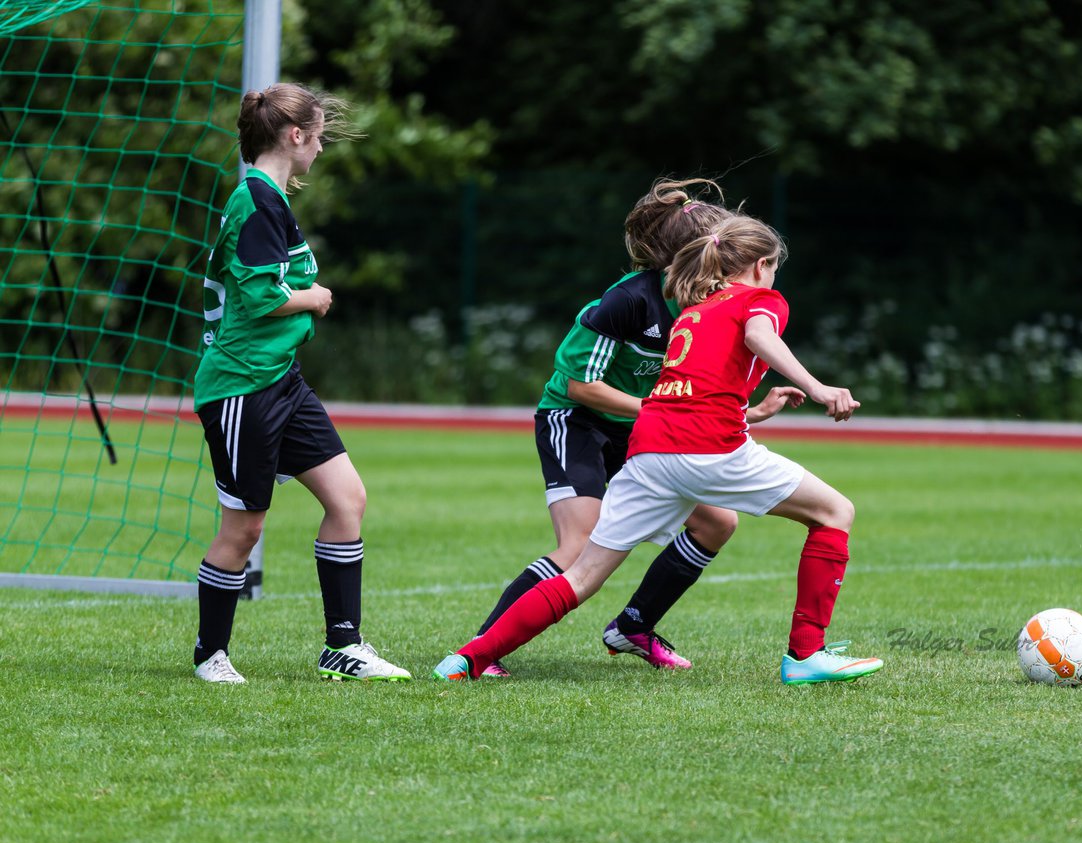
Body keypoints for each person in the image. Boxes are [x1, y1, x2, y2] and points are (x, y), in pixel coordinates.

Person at [432, 213, 884, 685]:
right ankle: (806, 654)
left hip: (649, 449)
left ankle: (469, 658)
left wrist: (749, 411)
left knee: (584, 575)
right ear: (759, 265)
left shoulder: (692, 310)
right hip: (704, 447)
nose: (773, 279)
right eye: (773, 269)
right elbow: (758, 336)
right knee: (835, 512)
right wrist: (817, 386)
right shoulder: (760, 298)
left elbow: (686, 393)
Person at [471, 178, 800, 677]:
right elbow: (582, 386)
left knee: (718, 522)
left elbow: (697, 388)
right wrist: (659, 409)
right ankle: (484, 646)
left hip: (643, 425)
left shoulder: (712, 308)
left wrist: (747, 413)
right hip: (577, 420)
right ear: (688, 255)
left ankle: (634, 626)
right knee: (578, 545)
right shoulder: (629, 302)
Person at [190, 83, 409, 683]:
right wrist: (314, 297)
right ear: (294, 137)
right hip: (243, 387)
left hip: (281, 380)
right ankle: (211, 654)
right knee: (245, 526)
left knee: (347, 500)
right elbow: (261, 298)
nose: (320, 148)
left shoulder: (269, 199)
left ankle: (343, 647)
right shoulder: (256, 201)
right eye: (317, 137)